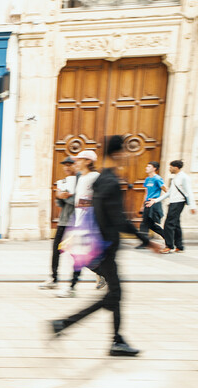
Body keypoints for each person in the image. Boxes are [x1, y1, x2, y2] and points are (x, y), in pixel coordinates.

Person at [51, 135, 165, 356]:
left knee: (114, 295)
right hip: (106, 247)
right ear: (120, 153)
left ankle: (107, 336)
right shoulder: (110, 181)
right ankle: (73, 326)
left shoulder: (100, 178)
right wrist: (147, 241)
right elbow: (120, 220)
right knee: (115, 295)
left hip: (99, 245)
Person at [57, 149, 102, 298]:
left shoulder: (95, 177)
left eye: (79, 160)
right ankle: (102, 274)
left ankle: (71, 287)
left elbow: (98, 199)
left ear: (88, 162)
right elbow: (80, 200)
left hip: (89, 222)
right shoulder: (82, 178)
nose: (76, 162)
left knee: (78, 254)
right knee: (75, 253)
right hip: (78, 221)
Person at [40, 156, 78, 290]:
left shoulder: (81, 182)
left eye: (70, 164)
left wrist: (67, 197)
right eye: (65, 165)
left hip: (76, 223)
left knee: (77, 253)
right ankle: (54, 278)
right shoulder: (64, 181)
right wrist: (59, 196)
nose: (67, 167)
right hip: (63, 222)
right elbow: (60, 204)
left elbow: (79, 202)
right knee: (56, 250)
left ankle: (101, 274)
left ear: (77, 165)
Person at [159, 159, 196, 253]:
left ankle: (169, 246)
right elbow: (170, 192)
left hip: (178, 202)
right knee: (176, 224)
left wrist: (192, 206)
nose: (169, 169)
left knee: (169, 224)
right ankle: (179, 246)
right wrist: (156, 200)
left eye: (170, 167)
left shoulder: (184, 177)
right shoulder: (176, 177)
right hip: (173, 202)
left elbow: (189, 192)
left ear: (176, 167)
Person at [136, 161, 166, 248]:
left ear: (154, 168)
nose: (146, 168)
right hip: (147, 203)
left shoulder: (158, 179)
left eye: (149, 166)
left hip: (154, 204)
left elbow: (166, 190)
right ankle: (166, 237)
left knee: (146, 223)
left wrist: (157, 200)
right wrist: (142, 205)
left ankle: (145, 242)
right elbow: (146, 193)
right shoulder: (147, 179)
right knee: (148, 224)